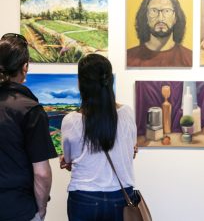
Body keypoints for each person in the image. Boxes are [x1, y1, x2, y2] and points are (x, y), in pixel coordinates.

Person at [61, 53, 137, 221]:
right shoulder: (127, 113)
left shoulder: (71, 120)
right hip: (122, 196)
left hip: (84, 197)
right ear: (110, 81)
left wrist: (66, 161)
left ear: (81, 83)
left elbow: (68, 160)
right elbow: (131, 151)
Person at [0, 33, 57, 221]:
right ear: (25, 67)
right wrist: (41, 211)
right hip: (17, 209)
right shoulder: (30, 109)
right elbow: (41, 173)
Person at [127, 0, 192, 67]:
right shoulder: (128, 58)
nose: (160, 18)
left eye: (167, 11)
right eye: (154, 11)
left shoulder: (189, 58)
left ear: (175, 18)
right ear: (146, 17)